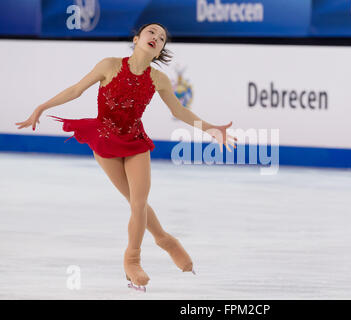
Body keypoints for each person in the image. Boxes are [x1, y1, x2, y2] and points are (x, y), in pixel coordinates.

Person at [15, 22, 237, 292]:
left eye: (162, 38)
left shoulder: (159, 80)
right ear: (136, 39)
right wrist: (42, 106)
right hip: (105, 140)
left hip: (134, 141)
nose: (156, 37)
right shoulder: (109, 65)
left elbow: (179, 111)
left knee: (139, 202)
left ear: (159, 52)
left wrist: (212, 128)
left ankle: (132, 259)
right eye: (151, 33)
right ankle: (164, 238)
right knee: (134, 202)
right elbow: (76, 89)